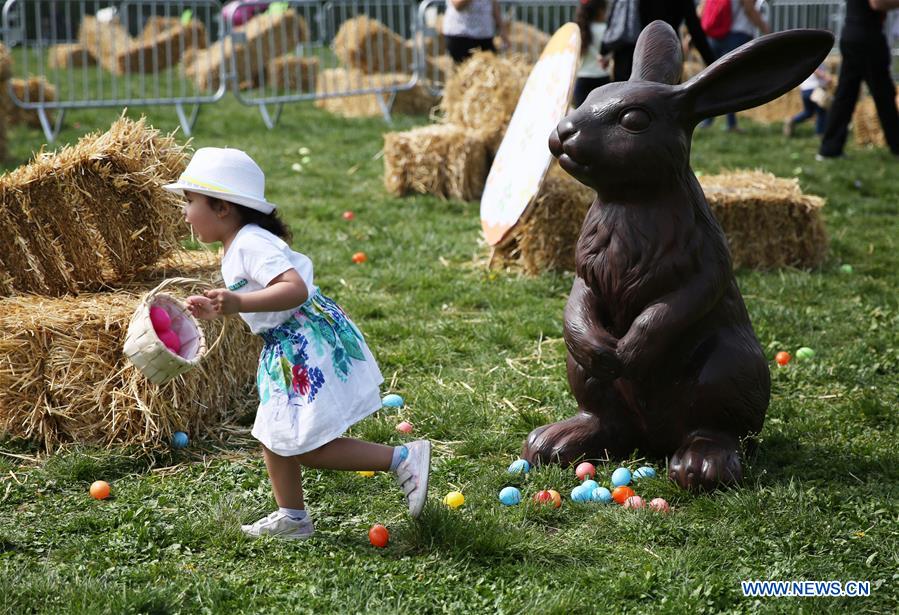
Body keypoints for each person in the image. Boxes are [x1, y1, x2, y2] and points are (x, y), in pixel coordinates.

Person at [164, 148, 431, 540]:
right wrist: (218, 306)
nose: (185, 213)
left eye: (190, 202)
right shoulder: (237, 244)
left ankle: (402, 458)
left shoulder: (251, 243)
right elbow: (261, 293)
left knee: (302, 445)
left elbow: (293, 288)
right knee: (274, 434)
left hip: (303, 340)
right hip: (286, 344)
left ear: (222, 207)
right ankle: (292, 517)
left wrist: (236, 302)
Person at [818, 0, 899, 159]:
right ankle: (897, 145)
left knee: (846, 95)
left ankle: (829, 149)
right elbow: (877, 4)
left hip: (853, 34)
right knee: (884, 95)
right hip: (867, 37)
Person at [603, 0, 717, 82]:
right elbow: (694, 27)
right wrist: (712, 63)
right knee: (666, 107)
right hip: (667, 56)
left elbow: (617, 17)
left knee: (629, 106)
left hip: (632, 57)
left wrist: (603, 50)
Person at [702, 0, 770, 131]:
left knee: (712, 79)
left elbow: (703, 8)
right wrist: (766, 29)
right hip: (736, 35)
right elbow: (749, 9)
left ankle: (707, 120)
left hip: (715, 35)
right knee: (731, 80)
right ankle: (731, 124)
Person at [442, 0, 508, 64]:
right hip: (460, 36)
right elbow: (457, 5)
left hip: (485, 36)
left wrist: (503, 31)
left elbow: (494, 6)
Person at [573, 0, 611, 108]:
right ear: (600, 11)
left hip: (582, 80)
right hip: (603, 80)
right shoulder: (605, 30)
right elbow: (608, 56)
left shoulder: (579, 31)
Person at [784, 63, 833, 137]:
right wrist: (826, 78)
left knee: (808, 112)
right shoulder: (817, 58)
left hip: (805, 90)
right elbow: (815, 70)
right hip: (816, 89)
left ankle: (792, 120)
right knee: (821, 111)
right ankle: (819, 134)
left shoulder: (807, 60)